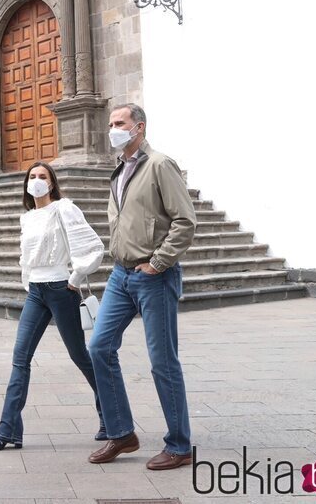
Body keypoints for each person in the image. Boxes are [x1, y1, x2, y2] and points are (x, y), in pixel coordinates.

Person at [87, 103, 197, 470]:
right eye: (111, 123)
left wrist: (158, 262)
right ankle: (121, 434)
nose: (112, 128)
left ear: (139, 128)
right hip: (120, 276)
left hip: (154, 276)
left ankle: (179, 445)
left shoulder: (160, 165)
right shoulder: (119, 170)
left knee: (163, 362)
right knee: (99, 347)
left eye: (119, 123)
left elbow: (185, 221)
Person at [0, 161, 107, 451]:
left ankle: (110, 418)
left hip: (61, 289)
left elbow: (93, 245)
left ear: (52, 184)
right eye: (32, 176)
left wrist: (75, 277)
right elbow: (26, 256)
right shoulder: (27, 217)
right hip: (36, 293)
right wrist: (29, 282)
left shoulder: (64, 208)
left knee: (80, 356)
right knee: (20, 358)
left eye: (43, 176)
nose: (37, 180)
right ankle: (8, 431)